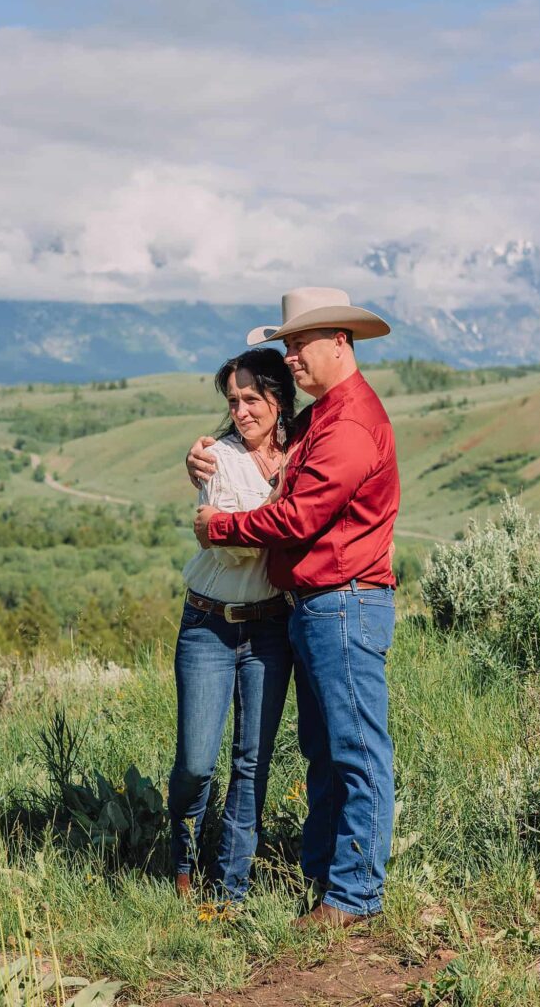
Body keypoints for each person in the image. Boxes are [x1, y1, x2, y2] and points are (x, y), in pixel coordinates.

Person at [191, 287, 400, 928]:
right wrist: (207, 454)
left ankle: (354, 895)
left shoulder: (350, 425)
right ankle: (324, 875)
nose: (292, 358)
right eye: (287, 345)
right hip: (317, 607)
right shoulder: (324, 416)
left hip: (341, 604)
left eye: (300, 344)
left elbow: (300, 514)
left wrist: (217, 527)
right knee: (325, 748)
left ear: (340, 342)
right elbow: (263, 442)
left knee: (355, 750)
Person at [169, 347, 296, 903]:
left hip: (271, 626)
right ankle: (184, 852)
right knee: (197, 762)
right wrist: (286, 513)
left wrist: (236, 524)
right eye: (233, 401)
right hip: (209, 624)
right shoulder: (216, 458)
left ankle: (231, 888)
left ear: (278, 397)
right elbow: (235, 551)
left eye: (251, 398)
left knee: (252, 762)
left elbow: (230, 530)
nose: (242, 411)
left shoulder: (302, 450)